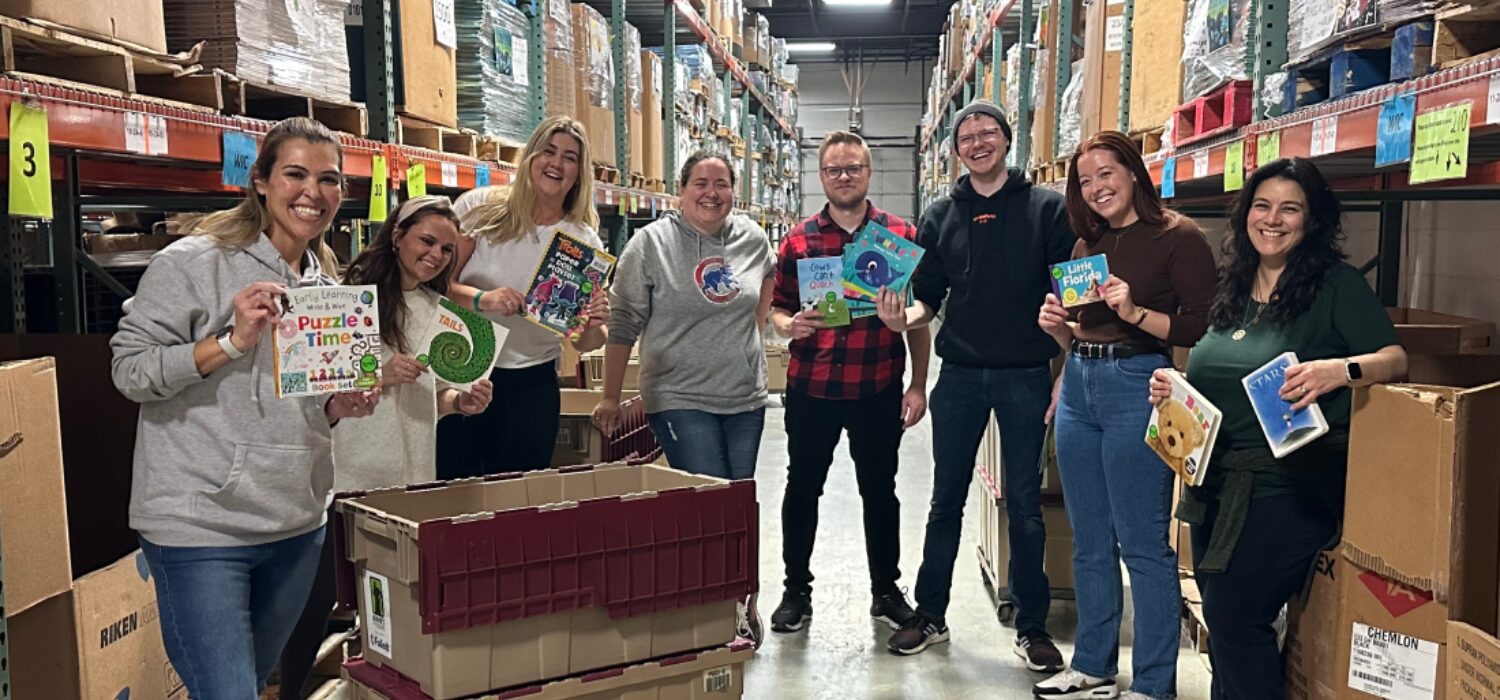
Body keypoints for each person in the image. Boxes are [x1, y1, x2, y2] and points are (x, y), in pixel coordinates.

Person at [110, 117, 382, 698]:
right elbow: (129, 372)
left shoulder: (326, 283)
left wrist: (339, 405)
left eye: (329, 179)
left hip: (294, 521)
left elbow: (305, 407)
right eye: (295, 174)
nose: (313, 192)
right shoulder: (194, 263)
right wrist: (230, 342)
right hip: (200, 525)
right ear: (260, 181)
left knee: (248, 683)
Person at [1149, 158, 1406, 698]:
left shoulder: (1335, 286)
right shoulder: (1233, 287)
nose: (1273, 219)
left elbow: (1394, 358)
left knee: (1239, 617)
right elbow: (1219, 372)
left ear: (1311, 221)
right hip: (1217, 480)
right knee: (1224, 621)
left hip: (1291, 482)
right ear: (1246, 214)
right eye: (1262, 206)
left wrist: (1340, 370)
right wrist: (1174, 390)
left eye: (1290, 209)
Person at [877, 100, 1075, 667]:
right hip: (960, 376)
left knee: (1025, 506)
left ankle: (1032, 625)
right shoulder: (939, 217)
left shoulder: (1048, 209)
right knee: (945, 501)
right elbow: (926, 299)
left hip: (1025, 378)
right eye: (967, 136)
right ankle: (931, 614)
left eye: (988, 132)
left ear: (1007, 141)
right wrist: (902, 320)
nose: (978, 142)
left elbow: (1071, 294)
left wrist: (1067, 370)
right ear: (957, 149)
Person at [276, 196, 494, 698]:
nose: (436, 255)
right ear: (397, 235)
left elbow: (432, 397)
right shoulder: (345, 299)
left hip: (409, 484)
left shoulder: (437, 311)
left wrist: (460, 401)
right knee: (318, 600)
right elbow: (309, 379)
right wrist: (378, 371)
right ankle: (288, 690)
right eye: (426, 241)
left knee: (392, 601)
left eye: (446, 248)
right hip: (345, 477)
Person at [1032, 132, 1216, 700]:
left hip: (1137, 385)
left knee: (1141, 543)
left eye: (1107, 174)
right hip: (1081, 383)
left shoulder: (1178, 237)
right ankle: (1093, 664)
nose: (1097, 188)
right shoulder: (1086, 247)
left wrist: (1135, 311)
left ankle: (1156, 683)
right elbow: (1084, 327)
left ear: (1134, 173)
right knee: (1088, 539)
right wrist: (1059, 329)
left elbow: (1199, 326)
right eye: (1085, 182)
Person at [765, 130, 928, 636]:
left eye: (853, 168)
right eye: (834, 170)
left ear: (868, 172)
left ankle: (886, 590)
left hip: (876, 385)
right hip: (811, 386)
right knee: (802, 488)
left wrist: (918, 385)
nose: (844, 177)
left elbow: (921, 318)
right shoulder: (798, 240)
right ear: (822, 177)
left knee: (880, 492)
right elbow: (776, 308)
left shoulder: (900, 235)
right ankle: (796, 589)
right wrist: (788, 326)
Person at [441, 115, 610, 477]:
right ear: (530, 156)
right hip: (461, 364)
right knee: (454, 487)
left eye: (569, 157)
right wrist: (483, 299)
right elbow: (436, 285)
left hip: (530, 382)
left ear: (579, 173)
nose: (556, 163)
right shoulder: (480, 209)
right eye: (548, 151)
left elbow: (584, 342)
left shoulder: (582, 241)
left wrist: (594, 322)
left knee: (518, 493)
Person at [592, 151, 775, 479]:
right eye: (700, 183)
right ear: (682, 190)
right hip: (678, 394)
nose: (711, 193)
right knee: (710, 494)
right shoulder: (650, 244)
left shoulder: (752, 238)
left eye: (722, 184)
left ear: (734, 191)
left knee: (738, 500)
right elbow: (623, 324)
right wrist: (610, 396)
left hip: (744, 396)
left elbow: (769, 276)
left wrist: (755, 334)